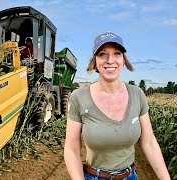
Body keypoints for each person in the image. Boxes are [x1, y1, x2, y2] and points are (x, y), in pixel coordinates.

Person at [64, 31, 171, 180]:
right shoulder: (79, 97)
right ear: (94, 61)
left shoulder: (137, 94)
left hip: (130, 176)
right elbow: (71, 149)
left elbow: (149, 142)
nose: (110, 60)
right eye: (102, 54)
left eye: (117, 53)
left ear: (123, 60)